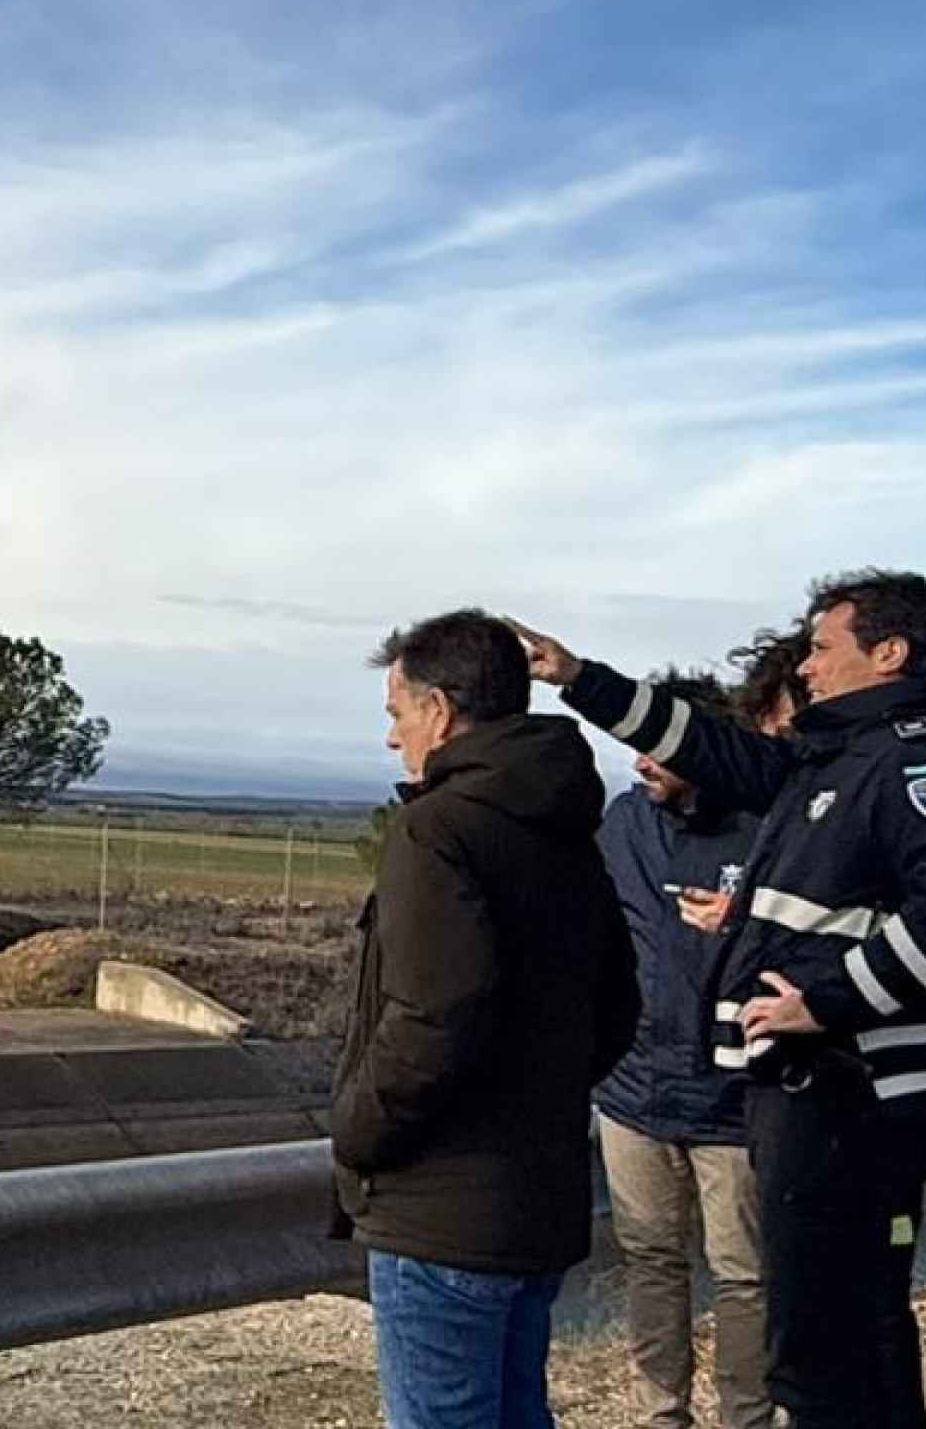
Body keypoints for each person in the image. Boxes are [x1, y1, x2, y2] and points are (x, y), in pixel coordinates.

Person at [509, 574, 926, 1429]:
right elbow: (712, 750)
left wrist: (826, 1002)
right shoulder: (837, 761)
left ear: (888, 655)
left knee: (821, 1341)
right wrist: (577, 677)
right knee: (852, 1325)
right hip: (815, 1088)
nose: (807, 668)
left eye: (822, 648)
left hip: (849, 1091)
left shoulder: (907, 765)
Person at [333, 609, 641, 1429]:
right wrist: (538, 1090)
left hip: (440, 1209)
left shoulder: (434, 829)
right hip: (536, 1201)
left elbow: (436, 1011)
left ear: (439, 711)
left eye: (397, 713)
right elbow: (618, 1007)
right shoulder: (567, 829)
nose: (392, 738)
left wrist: (358, 1129)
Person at [592, 671, 778, 1429]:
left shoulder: (766, 827)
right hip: (633, 1089)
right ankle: (660, 1414)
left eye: (656, 748)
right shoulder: (623, 822)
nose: (640, 762)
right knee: (650, 1258)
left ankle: (746, 1417)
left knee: (744, 1275)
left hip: (735, 1094)